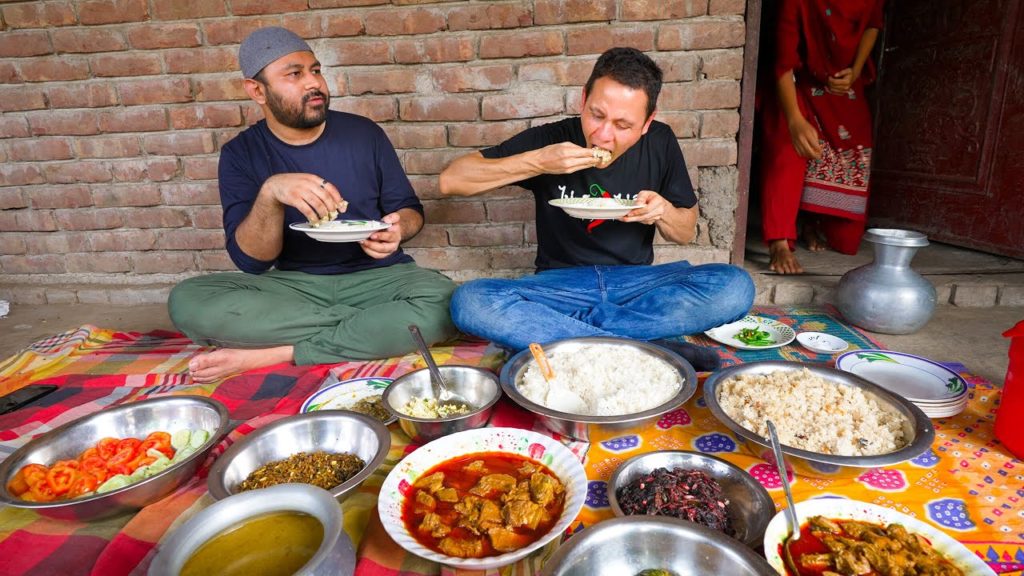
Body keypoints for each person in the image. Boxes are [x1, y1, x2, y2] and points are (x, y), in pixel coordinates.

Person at [168, 27, 456, 383]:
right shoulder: (240, 153)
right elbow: (251, 261)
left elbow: (409, 209)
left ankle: (285, 352)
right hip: (294, 287)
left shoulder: (364, 133)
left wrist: (399, 228)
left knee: (446, 300)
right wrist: (271, 193)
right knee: (187, 300)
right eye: (294, 74)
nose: (313, 83)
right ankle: (375, 326)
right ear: (257, 90)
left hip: (380, 279)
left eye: (316, 71)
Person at [438, 47, 754, 367]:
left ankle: (568, 339)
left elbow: (685, 231)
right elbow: (451, 179)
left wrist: (664, 212)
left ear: (647, 123)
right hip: (558, 287)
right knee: (470, 302)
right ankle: (644, 347)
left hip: (636, 286)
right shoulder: (553, 140)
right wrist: (537, 161)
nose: (602, 135)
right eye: (597, 115)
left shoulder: (661, 141)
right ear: (583, 99)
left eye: (622, 125)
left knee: (735, 287)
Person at [760, 0, 884, 274]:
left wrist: (855, 70)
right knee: (787, 143)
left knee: (846, 240)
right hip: (799, 84)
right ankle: (779, 239)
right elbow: (783, 62)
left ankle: (812, 221)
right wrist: (794, 120)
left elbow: (873, 25)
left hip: (843, 83)